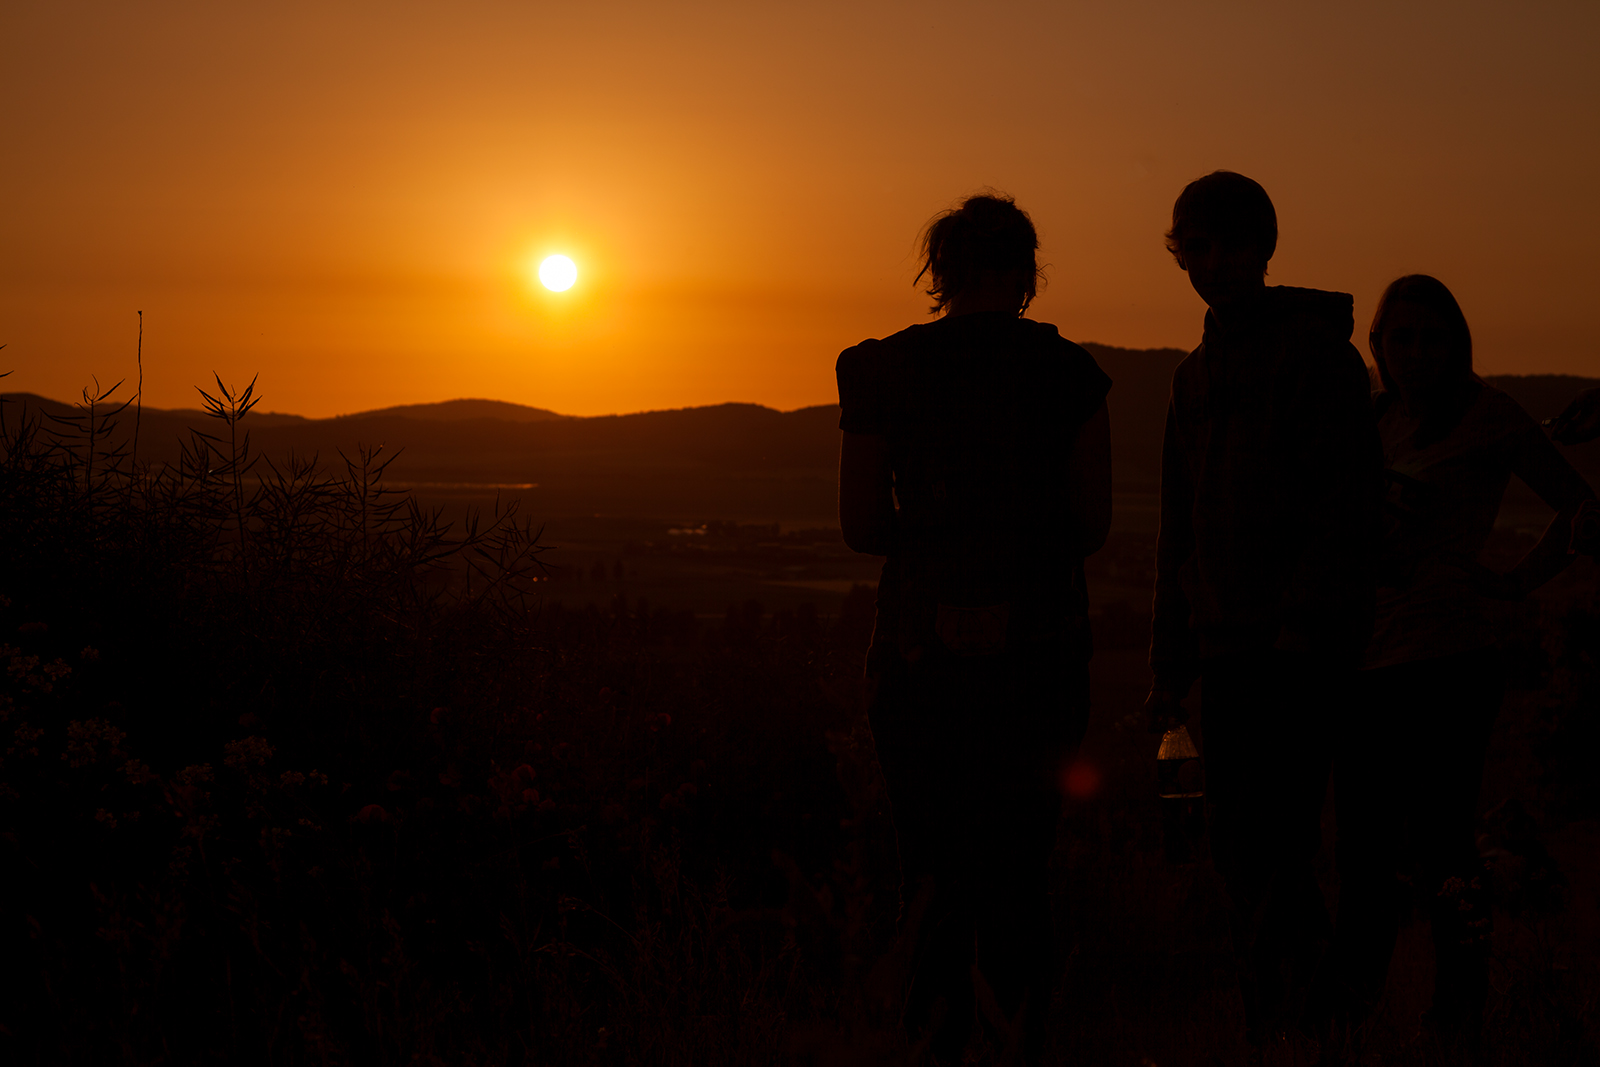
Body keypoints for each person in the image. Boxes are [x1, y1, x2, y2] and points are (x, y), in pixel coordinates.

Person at [837, 193, 1112, 1065]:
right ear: (1027, 275)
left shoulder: (880, 370)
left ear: (940, 273)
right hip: (1040, 646)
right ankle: (1020, 1032)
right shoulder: (1072, 373)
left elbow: (861, 523)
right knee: (1021, 865)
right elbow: (1093, 519)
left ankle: (933, 1037)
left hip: (918, 647)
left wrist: (936, 548)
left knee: (927, 861)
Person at [1313, 275, 1595, 1039]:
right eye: (1399, 337)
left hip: (1449, 660)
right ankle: (1349, 1012)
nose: (1414, 351)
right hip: (1365, 663)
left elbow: (1582, 507)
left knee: (1442, 840)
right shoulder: (1373, 419)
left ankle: (1459, 1013)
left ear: (1457, 342)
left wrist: (1512, 582)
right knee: (1365, 849)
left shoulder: (1488, 414)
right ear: (1377, 346)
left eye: (1431, 336)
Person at [1144, 171, 1381, 1046]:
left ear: (1264, 246)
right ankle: (1293, 1024)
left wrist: (1302, 626)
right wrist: (1171, 665)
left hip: (1299, 649)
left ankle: (1310, 1025)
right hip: (1227, 649)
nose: (1214, 263)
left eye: (1229, 244)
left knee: (1275, 850)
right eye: (1196, 248)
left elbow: (1341, 504)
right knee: (1238, 851)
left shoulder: (1316, 356)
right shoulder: (1193, 378)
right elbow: (1181, 524)